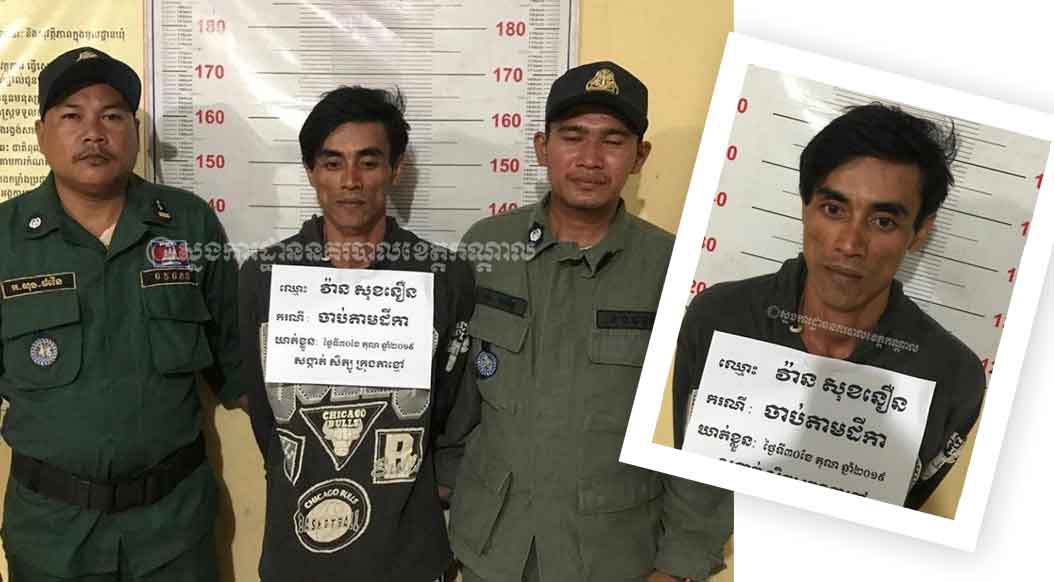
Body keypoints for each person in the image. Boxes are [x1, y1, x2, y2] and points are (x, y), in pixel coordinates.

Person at [439, 61, 732, 582]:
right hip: (491, 547)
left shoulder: (673, 270)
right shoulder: (488, 247)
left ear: (640, 156)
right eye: (572, 137)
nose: (591, 159)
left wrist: (680, 562)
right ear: (541, 147)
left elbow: (697, 429)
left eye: (613, 141)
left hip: (613, 556)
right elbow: (459, 395)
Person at [0, 46, 242, 581]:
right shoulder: (5, 239)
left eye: (111, 116)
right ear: (40, 135)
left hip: (173, 531)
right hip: (50, 536)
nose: (94, 133)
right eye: (72, 116)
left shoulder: (189, 225)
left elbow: (238, 361)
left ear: (134, 132)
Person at [673, 103, 986, 509]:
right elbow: (690, 487)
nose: (850, 244)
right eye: (834, 210)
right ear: (805, 208)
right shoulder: (717, 317)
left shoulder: (955, 379)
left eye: (883, 221)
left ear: (919, 232)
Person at [238, 86, 475, 582]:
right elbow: (266, 415)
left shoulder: (443, 276)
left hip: (408, 552)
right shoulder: (264, 276)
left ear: (395, 169)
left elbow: (450, 403)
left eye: (368, 162)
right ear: (311, 171)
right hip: (297, 553)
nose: (350, 181)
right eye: (332, 163)